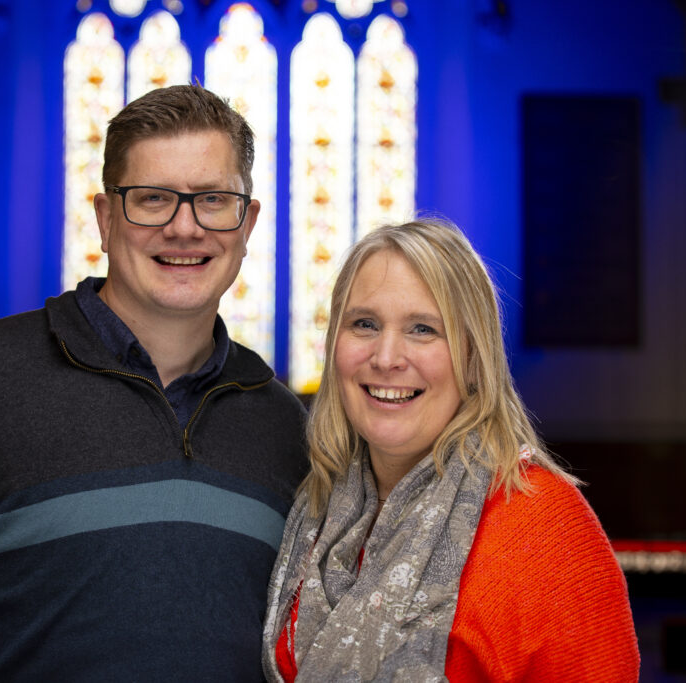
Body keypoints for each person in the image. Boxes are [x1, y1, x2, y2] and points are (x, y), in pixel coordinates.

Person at [0, 85, 309, 682]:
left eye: (213, 200)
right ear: (105, 220)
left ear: (247, 223)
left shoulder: (285, 425)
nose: (185, 228)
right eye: (153, 199)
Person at [262, 219, 639, 681]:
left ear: (474, 358)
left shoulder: (546, 529)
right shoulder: (317, 509)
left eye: (422, 329)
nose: (385, 357)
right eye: (365, 324)